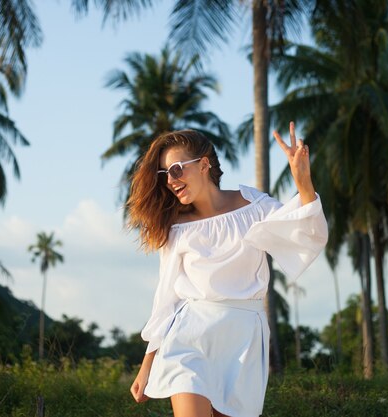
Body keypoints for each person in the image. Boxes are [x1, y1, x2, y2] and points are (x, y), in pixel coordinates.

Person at [127, 122, 328, 417]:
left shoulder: (253, 206)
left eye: (176, 169)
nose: (170, 180)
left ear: (204, 164)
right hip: (189, 337)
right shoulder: (177, 228)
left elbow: (306, 233)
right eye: (164, 174)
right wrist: (148, 365)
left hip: (242, 337)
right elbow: (167, 300)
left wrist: (303, 182)